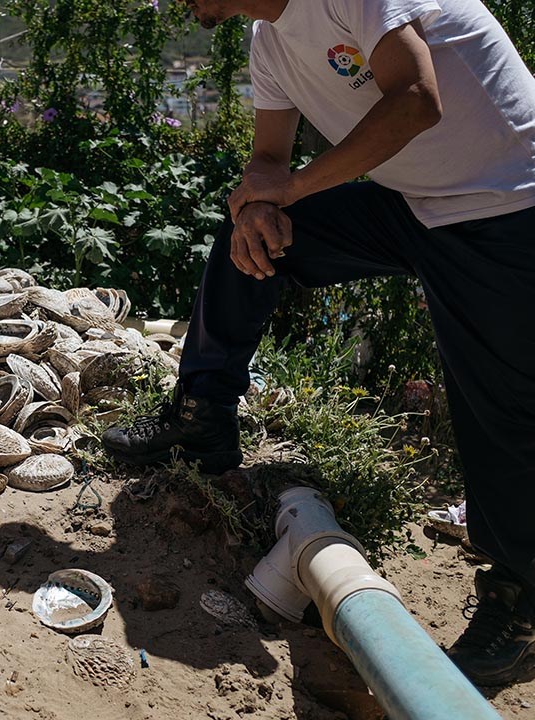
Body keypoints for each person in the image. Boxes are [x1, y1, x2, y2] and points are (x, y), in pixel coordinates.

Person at [102, 0, 535, 686]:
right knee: (245, 242)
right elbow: (269, 161)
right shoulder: (270, 40)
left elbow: (419, 99)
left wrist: (293, 187)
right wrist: (260, 207)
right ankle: (201, 417)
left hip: (507, 205)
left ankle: (520, 608)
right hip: (411, 204)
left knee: (502, 408)